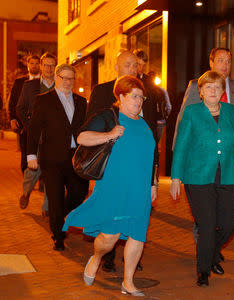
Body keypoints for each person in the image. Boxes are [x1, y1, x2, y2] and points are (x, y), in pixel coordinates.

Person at [63, 75, 157, 297]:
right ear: (121, 96)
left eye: (141, 97)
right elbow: (82, 137)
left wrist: (153, 183)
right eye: (134, 96)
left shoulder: (144, 124)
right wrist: (109, 135)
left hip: (140, 189)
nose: (139, 101)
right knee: (109, 238)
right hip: (114, 187)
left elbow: (153, 155)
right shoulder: (109, 117)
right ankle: (96, 258)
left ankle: (128, 282)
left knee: (138, 235)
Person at [170, 71, 234, 287]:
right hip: (197, 176)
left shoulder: (231, 112)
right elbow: (181, 146)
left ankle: (212, 252)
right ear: (200, 91)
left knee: (229, 223)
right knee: (207, 225)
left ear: (222, 92)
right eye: (208, 87)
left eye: (217, 87)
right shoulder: (191, 113)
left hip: (226, 174)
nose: (213, 91)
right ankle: (203, 269)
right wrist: (175, 178)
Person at [86, 50, 152, 273]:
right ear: (116, 67)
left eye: (136, 65)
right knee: (111, 225)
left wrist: (153, 178)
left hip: (138, 169)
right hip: (112, 168)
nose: (133, 69)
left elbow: (151, 135)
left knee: (135, 221)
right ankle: (106, 257)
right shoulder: (102, 92)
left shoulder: (145, 93)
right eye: (128, 65)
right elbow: (89, 130)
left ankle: (131, 265)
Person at [27, 64, 89, 251]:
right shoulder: (43, 100)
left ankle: (60, 215)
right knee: (54, 198)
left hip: (75, 157)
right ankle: (58, 236)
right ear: (56, 77)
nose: (68, 82)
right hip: (52, 159)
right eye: (65, 78)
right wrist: (31, 155)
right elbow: (34, 129)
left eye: (71, 78)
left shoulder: (81, 101)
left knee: (79, 192)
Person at [174, 47, 234, 147]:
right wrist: (178, 149)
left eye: (228, 61)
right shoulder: (196, 86)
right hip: (202, 151)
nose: (225, 65)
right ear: (211, 62)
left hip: (233, 151)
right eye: (220, 60)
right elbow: (183, 119)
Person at [16, 52, 56, 215]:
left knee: (52, 173)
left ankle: (47, 208)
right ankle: (26, 192)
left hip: (54, 138)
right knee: (33, 171)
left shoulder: (60, 86)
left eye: (52, 65)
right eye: (45, 65)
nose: (48, 68)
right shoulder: (29, 86)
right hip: (36, 138)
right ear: (40, 66)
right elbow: (20, 108)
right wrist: (30, 126)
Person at [8, 54, 40, 172]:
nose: (34, 66)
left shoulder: (44, 82)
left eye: (37, 63)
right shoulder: (19, 82)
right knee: (26, 152)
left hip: (40, 123)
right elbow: (13, 102)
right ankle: (27, 180)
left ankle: (42, 181)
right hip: (24, 123)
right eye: (32, 63)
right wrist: (12, 118)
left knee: (41, 153)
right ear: (28, 65)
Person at [133, 49, 171, 143]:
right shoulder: (128, 80)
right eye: (138, 64)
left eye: (143, 65)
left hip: (148, 124)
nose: (141, 68)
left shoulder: (149, 81)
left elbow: (154, 104)